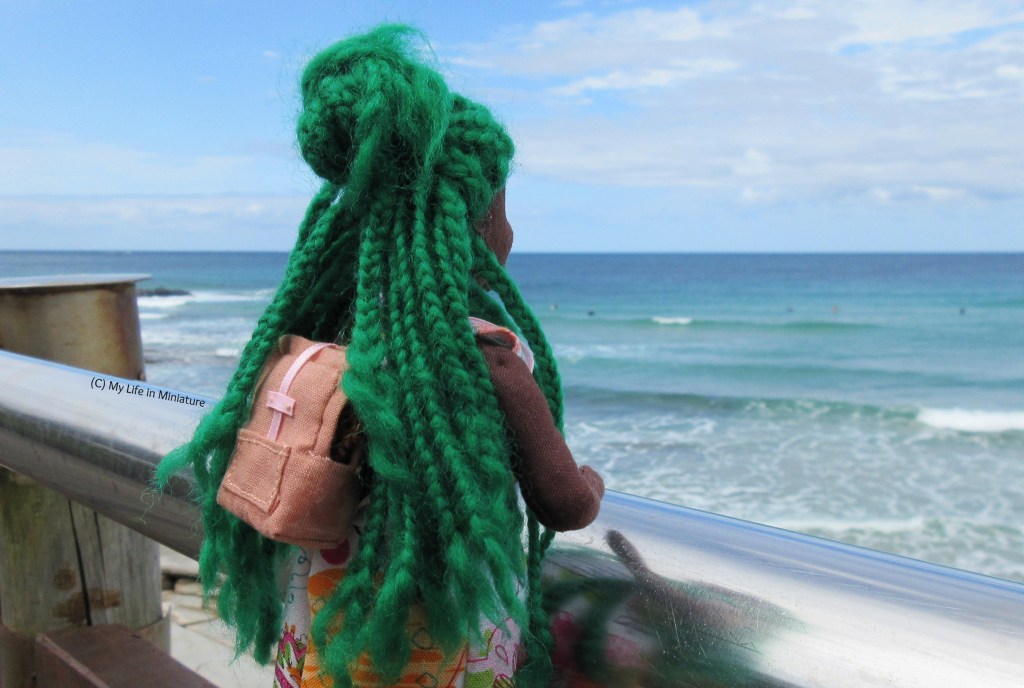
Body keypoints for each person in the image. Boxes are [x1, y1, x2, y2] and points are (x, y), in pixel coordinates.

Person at [157, 24, 603, 687]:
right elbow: (564, 505)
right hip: (442, 645)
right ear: (468, 224)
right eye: (501, 212)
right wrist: (592, 481)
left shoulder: (334, 341)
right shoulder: (488, 354)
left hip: (326, 631)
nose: (509, 231)